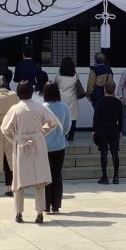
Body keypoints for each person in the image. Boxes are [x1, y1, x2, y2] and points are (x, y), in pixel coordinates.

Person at [2, 80, 61, 224]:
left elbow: (4, 129)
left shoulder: (15, 109)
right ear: (32, 92)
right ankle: (40, 212)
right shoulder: (40, 107)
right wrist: (41, 133)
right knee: (39, 180)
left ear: (18, 93)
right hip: (37, 144)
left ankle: (18, 213)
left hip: (21, 146)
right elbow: (53, 122)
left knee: (19, 181)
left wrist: (15, 139)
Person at [42, 81, 72, 214]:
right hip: (60, 145)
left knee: (45, 175)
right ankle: (56, 205)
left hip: (44, 146)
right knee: (57, 174)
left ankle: (46, 204)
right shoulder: (64, 106)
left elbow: (40, 128)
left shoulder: (42, 107)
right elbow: (67, 126)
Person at [92, 80, 123, 185]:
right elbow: (121, 118)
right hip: (114, 128)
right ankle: (116, 176)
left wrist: (94, 130)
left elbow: (96, 117)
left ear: (104, 89)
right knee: (115, 153)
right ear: (114, 90)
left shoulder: (100, 102)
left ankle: (105, 176)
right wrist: (120, 130)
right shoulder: (118, 102)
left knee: (103, 152)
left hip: (103, 128)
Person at [54, 57, 84, 142]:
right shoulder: (75, 74)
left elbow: (55, 84)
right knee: (72, 118)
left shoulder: (59, 74)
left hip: (61, 98)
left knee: (61, 117)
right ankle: (71, 136)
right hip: (72, 99)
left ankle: (61, 135)